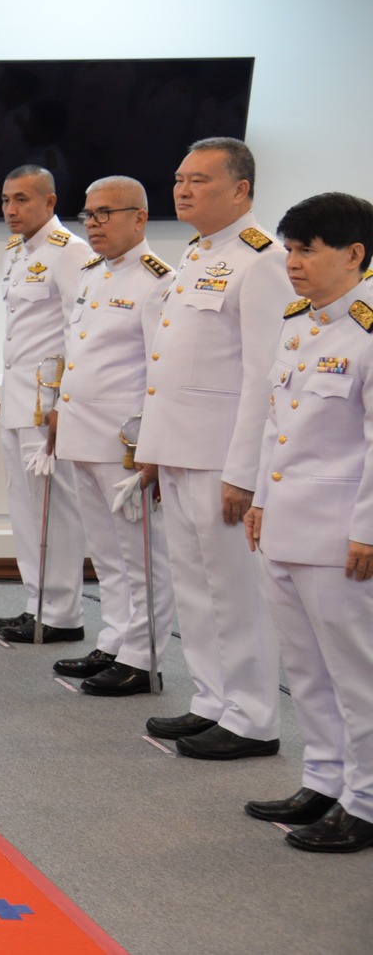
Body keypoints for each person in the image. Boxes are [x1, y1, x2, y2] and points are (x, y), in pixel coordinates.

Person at [134, 137, 290, 759]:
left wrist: (244, 472)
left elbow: (261, 376)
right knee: (195, 584)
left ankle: (252, 718)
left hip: (222, 454)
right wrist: (152, 444)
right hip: (179, 448)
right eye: (178, 178)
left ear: (241, 190)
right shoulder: (198, 253)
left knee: (234, 590)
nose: (182, 189)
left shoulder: (262, 261)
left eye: (199, 179)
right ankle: (212, 700)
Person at [241, 192, 373, 851]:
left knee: (357, 675)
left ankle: (369, 799)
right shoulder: (300, 322)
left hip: (342, 536)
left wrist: (368, 530)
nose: (292, 261)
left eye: (307, 249)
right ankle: (323, 777)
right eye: (289, 248)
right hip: (288, 525)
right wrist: (262, 498)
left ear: (354, 254)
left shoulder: (368, 330)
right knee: (307, 668)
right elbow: (279, 428)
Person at [50, 177, 175, 695]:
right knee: (106, 552)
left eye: (106, 214)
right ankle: (116, 640)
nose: (94, 224)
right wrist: (58, 408)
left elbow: (160, 372)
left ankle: (142, 658)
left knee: (142, 554)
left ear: (140, 217)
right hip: (82, 432)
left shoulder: (158, 281)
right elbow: (76, 351)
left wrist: (154, 446)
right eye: (89, 215)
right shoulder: (89, 275)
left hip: (125, 442)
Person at [0, 165, 95, 643]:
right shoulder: (16, 251)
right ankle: (36, 603)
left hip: (46, 402)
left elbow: (80, 329)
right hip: (15, 397)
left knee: (55, 507)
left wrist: (64, 400)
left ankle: (63, 613)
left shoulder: (70, 252)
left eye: (23, 200)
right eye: (7, 200)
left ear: (50, 203)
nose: (12, 210)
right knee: (25, 506)